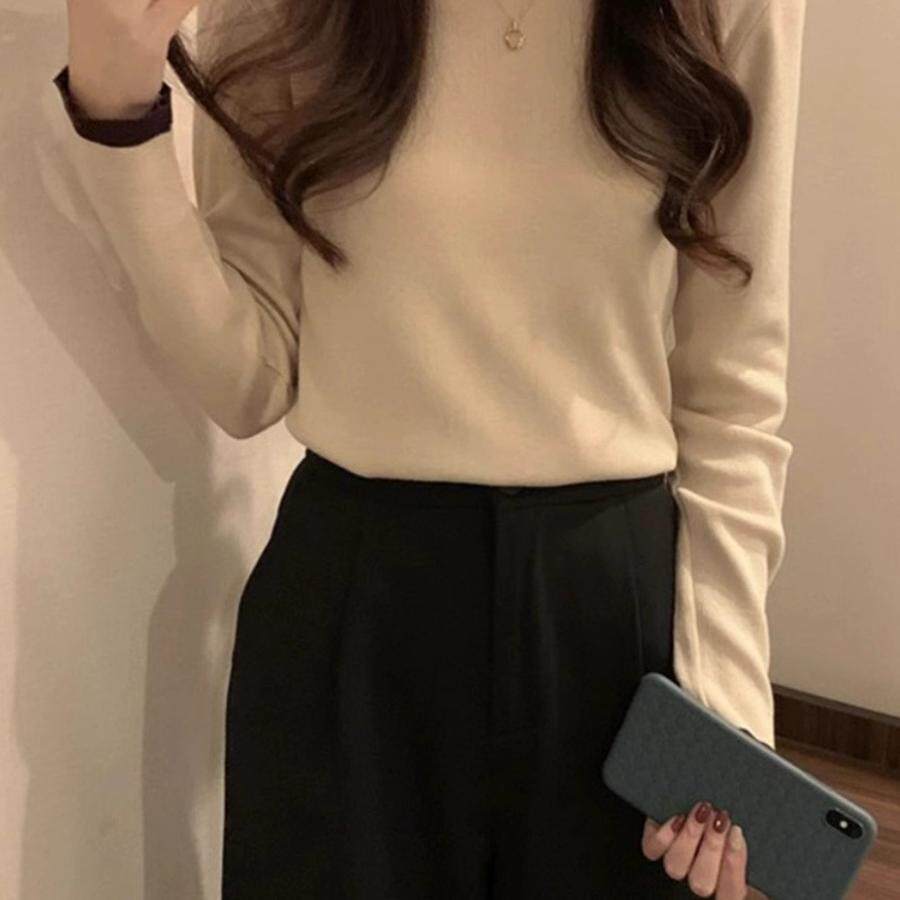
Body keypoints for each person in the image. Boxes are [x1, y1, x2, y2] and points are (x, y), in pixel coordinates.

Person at [40, 0, 806, 895]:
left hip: (613, 623)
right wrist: (119, 116)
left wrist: (725, 694)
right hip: (353, 613)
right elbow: (251, 380)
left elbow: (733, 385)